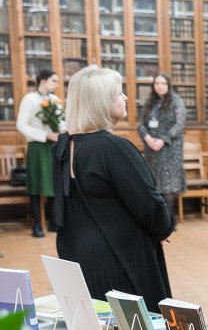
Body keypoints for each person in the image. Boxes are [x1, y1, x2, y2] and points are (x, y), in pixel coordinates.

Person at [52, 65, 173, 312]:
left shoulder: (65, 145)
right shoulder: (112, 148)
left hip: (77, 254)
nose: (126, 98)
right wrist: (164, 227)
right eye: (119, 93)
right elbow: (149, 205)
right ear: (101, 101)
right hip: (121, 258)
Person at [16, 69, 61, 238]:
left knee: (54, 183)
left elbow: (62, 121)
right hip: (37, 145)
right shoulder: (29, 99)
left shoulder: (55, 100)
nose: (57, 84)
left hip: (53, 145)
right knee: (37, 184)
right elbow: (21, 125)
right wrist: (44, 135)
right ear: (43, 80)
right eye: (54, 81)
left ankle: (55, 222)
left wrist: (60, 132)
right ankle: (37, 225)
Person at [138, 73, 186, 225]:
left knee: (169, 187)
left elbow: (179, 124)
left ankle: (170, 221)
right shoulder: (150, 102)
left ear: (168, 85)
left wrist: (162, 141)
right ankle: (158, 220)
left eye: (163, 83)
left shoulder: (176, 101)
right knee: (155, 185)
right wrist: (147, 138)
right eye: (157, 83)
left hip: (170, 150)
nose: (160, 86)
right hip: (152, 150)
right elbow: (141, 124)